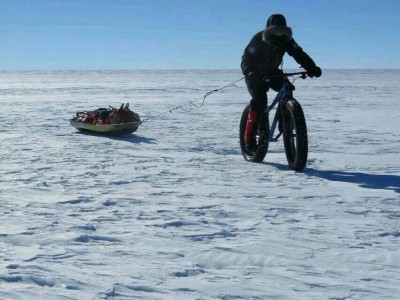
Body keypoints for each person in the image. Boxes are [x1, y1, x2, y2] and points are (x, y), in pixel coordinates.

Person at [241, 13, 321, 152]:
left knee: (287, 87)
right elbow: (246, 58)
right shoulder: (258, 39)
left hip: (272, 72)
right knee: (259, 101)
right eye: (275, 31)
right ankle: (249, 138)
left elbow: (299, 54)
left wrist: (311, 67)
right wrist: (249, 72)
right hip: (255, 74)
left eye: (281, 31)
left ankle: (286, 119)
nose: (278, 35)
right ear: (268, 30)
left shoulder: (287, 40)